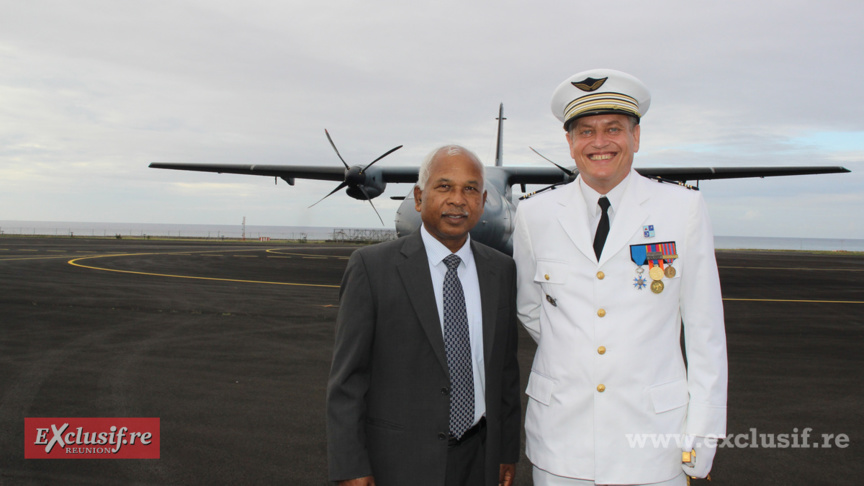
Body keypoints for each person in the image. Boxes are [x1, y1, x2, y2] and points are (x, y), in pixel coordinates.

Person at [513, 69, 727, 486]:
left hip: (653, 442)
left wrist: (702, 431)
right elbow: (529, 306)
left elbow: (705, 331)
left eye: (614, 129)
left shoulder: (681, 208)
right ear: (570, 143)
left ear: (637, 137)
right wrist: (581, 346)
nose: (599, 142)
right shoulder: (534, 214)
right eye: (585, 131)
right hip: (561, 441)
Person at [327, 145, 521, 486]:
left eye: (470, 189)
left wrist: (506, 451)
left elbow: (505, 374)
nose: (458, 200)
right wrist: (351, 466)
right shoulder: (372, 268)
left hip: (480, 458)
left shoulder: (502, 271)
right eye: (444, 187)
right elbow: (348, 380)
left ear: (482, 200)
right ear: (418, 197)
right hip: (400, 461)